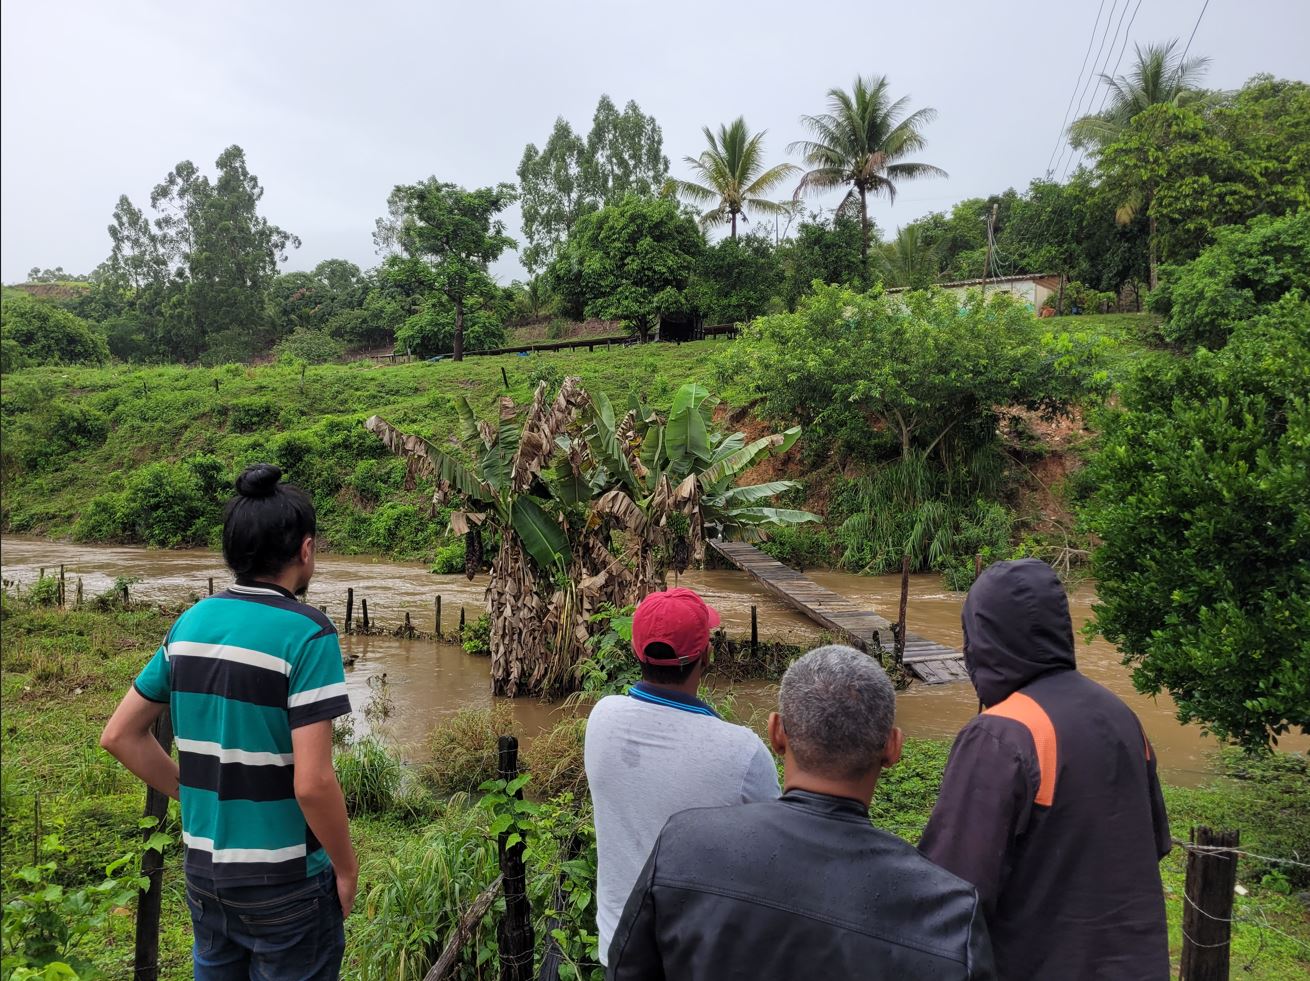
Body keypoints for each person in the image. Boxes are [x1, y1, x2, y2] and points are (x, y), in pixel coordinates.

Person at [100, 464, 356, 980]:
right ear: (305, 549)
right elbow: (312, 783)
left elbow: (120, 735)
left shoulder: (191, 622)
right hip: (286, 883)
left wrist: (197, 794)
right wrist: (346, 868)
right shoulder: (308, 634)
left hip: (206, 877)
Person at [607, 645, 996, 980]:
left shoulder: (684, 844)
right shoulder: (950, 915)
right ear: (893, 748)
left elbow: (627, 969)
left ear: (776, 734)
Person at [919, 558, 1171, 980]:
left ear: (980, 637)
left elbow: (951, 889)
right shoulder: (1120, 714)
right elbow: (1154, 844)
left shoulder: (1002, 734)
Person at [584, 587, 780, 970]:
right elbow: (775, 853)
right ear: (706, 656)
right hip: (701, 959)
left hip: (620, 947)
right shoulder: (742, 752)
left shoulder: (602, 719)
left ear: (637, 653)